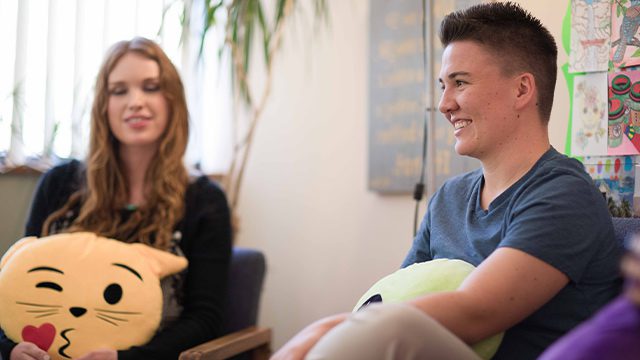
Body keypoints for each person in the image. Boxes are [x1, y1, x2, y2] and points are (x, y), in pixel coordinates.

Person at [272, 2, 621, 360]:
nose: (443, 104)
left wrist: (324, 331)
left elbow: (475, 312)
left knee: (394, 329)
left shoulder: (564, 195)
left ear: (521, 90)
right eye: (443, 86)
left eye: (460, 83)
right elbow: (396, 297)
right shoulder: (449, 199)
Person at [0, 37, 232, 360]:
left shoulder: (205, 202)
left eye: (150, 87)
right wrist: (10, 349)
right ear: (103, 106)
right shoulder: (59, 184)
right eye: (119, 90)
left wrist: (127, 359)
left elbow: (205, 320)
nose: (135, 101)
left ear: (172, 101)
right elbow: (15, 285)